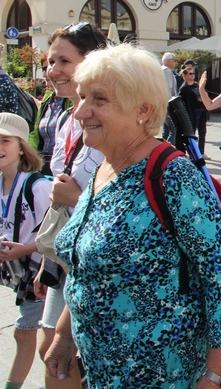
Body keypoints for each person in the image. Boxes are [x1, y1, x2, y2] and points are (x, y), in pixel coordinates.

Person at [44, 44, 221, 387]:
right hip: (103, 368)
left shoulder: (171, 174)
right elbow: (86, 268)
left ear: (142, 110)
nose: (80, 113)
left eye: (99, 100)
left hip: (160, 372)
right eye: (81, 98)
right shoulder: (105, 167)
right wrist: (64, 335)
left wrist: (219, 374)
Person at [36, 21, 107, 389]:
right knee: (49, 351)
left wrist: (75, 199)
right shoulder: (67, 117)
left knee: (58, 356)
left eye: (63, 60)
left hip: (93, 262)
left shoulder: (111, 122)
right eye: (49, 62)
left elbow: (124, 211)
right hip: (66, 255)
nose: (52, 71)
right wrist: (46, 264)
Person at [0, 113, 53, 389]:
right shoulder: (1, 183)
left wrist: (27, 248)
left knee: (26, 334)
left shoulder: (38, 186)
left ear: (22, 146)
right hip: (21, 275)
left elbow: (59, 232)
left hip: (42, 276)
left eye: (5, 140)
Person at [28, 64, 72, 175]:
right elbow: (35, 134)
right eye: (44, 67)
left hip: (64, 165)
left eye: (63, 62)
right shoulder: (47, 101)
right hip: (44, 163)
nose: (49, 71)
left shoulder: (71, 99)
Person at [178, 65, 208, 155]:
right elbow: (181, 102)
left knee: (202, 132)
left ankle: (201, 152)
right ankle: (193, 153)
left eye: (193, 73)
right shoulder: (184, 88)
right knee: (192, 134)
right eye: (190, 74)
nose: (192, 75)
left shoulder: (196, 85)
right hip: (192, 112)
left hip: (201, 110)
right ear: (184, 76)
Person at [161, 52, 178, 144]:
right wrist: (169, 107)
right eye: (174, 60)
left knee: (166, 130)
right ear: (168, 61)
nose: (176, 62)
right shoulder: (167, 71)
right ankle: (169, 151)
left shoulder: (161, 70)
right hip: (168, 105)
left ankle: (161, 150)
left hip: (163, 105)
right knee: (174, 129)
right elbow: (168, 89)